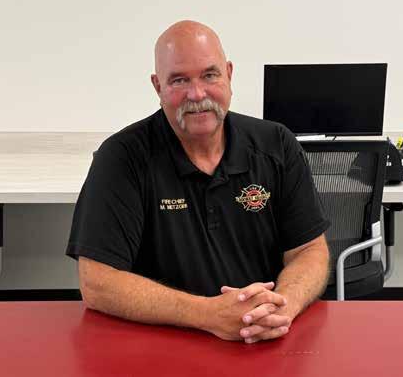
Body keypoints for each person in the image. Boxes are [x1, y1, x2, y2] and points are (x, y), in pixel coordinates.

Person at [66, 20, 330, 344]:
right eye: (179, 80)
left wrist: (282, 307)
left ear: (229, 74)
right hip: (162, 345)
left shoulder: (276, 145)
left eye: (209, 75)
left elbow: (309, 250)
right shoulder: (122, 158)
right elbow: (97, 282)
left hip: (266, 339)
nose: (197, 94)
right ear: (158, 86)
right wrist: (208, 314)